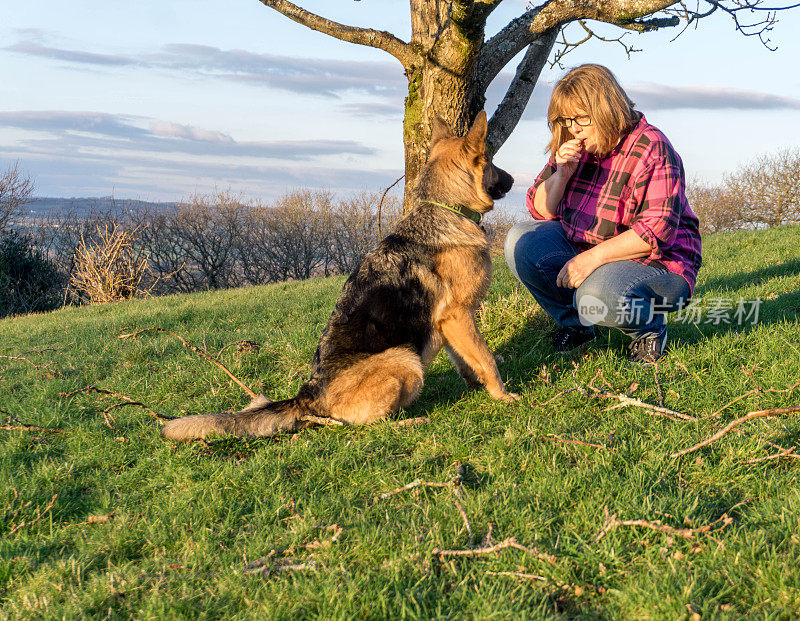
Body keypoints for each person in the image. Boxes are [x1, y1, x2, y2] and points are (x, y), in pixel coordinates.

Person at [504, 64, 702, 364]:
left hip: (658, 264)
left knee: (595, 295)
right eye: (567, 119)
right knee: (521, 240)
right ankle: (577, 326)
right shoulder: (574, 148)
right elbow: (539, 208)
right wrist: (562, 174)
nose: (574, 128)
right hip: (592, 245)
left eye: (582, 117)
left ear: (606, 107)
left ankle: (649, 329)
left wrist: (591, 259)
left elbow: (655, 232)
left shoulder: (652, 147)